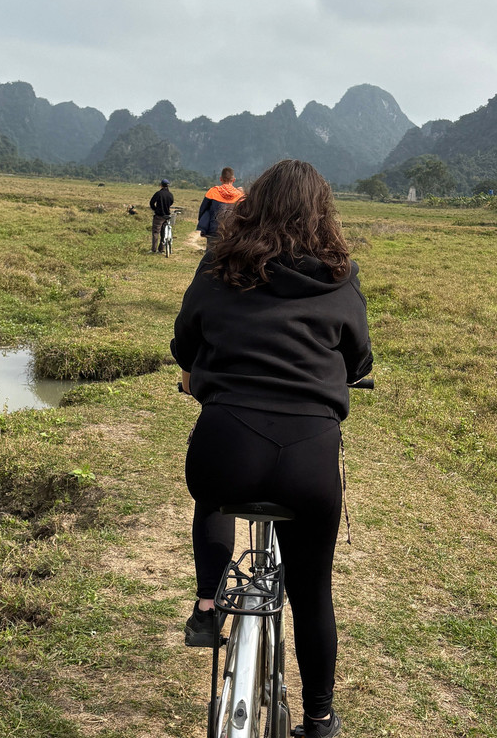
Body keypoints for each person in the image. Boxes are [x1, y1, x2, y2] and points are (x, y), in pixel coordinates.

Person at [171, 159, 373, 738]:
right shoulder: (340, 274)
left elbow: (186, 341)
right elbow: (358, 356)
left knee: (212, 497)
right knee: (312, 594)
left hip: (228, 444)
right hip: (309, 458)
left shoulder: (219, 264)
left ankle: (208, 607)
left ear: (250, 205)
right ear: (323, 215)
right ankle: (319, 721)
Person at [195, 166, 244, 245]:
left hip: (214, 231)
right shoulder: (240, 195)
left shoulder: (213, 191)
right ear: (233, 180)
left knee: (211, 254)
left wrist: (203, 224)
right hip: (232, 233)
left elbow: (202, 209)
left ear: (221, 179)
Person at [149, 178, 175, 253]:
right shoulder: (170, 195)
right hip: (167, 216)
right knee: (163, 233)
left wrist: (155, 209)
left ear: (161, 185)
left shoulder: (158, 193)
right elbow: (171, 202)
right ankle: (162, 249)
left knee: (156, 232)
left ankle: (154, 250)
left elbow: (151, 203)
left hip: (159, 216)